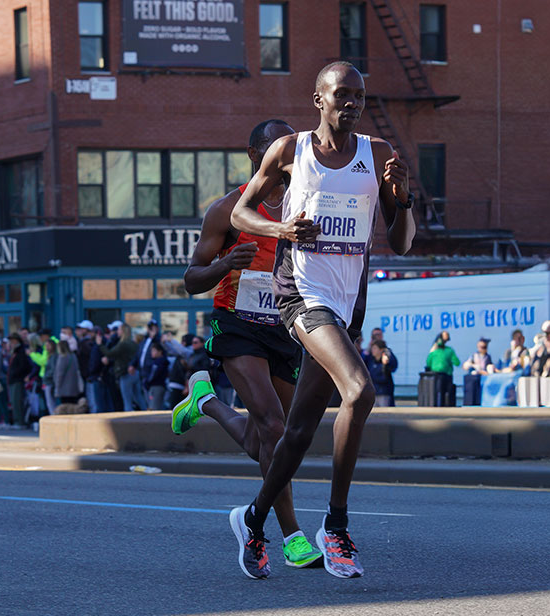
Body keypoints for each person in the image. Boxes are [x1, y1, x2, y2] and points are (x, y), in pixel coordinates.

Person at [219, 61, 415, 579]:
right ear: (319, 100)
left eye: (358, 96)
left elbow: (401, 241)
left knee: (301, 429)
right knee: (359, 391)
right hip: (301, 295)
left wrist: (403, 197)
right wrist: (281, 228)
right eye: (341, 95)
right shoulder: (292, 151)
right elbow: (241, 214)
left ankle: (254, 520)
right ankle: (337, 526)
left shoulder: (377, 156)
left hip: (348, 305)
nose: (350, 103)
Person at [173, 118, 322, 577]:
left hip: (285, 328)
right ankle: (291, 535)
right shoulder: (227, 210)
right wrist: (224, 265)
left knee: (271, 438)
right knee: (274, 427)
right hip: (237, 326)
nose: (286, 159)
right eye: (276, 150)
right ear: (255, 155)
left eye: (291, 150)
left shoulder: (307, 204)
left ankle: (208, 403)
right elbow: (189, 281)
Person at [97, 324, 147, 411]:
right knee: (138, 397)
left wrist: (100, 345)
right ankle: (147, 415)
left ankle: (129, 421)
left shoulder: (123, 344)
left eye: (119, 330)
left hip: (125, 373)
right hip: (135, 372)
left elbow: (109, 353)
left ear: (123, 331)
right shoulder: (133, 344)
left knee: (127, 400)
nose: (117, 332)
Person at [6, 333, 33, 428]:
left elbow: (24, 366)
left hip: (18, 379)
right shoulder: (14, 352)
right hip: (12, 379)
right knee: (13, 401)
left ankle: (20, 421)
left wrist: (15, 373)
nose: (11, 343)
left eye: (13, 341)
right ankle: (16, 420)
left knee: (17, 401)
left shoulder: (21, 352)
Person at [364, 340, 398, 407]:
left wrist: (386, 361)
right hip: (373, 392)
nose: (373, 350)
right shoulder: (370, 360)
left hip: (383, 392)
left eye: (375, 348)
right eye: (372, 348)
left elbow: (393, 366)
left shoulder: (387, 360)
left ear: (381, 350)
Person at [53, 340, 83, 405]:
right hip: (74, 387)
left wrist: (57, 388)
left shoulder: (62, 357)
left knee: (66, 408)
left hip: (64, 388)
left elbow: (59, 374)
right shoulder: (73, 356)